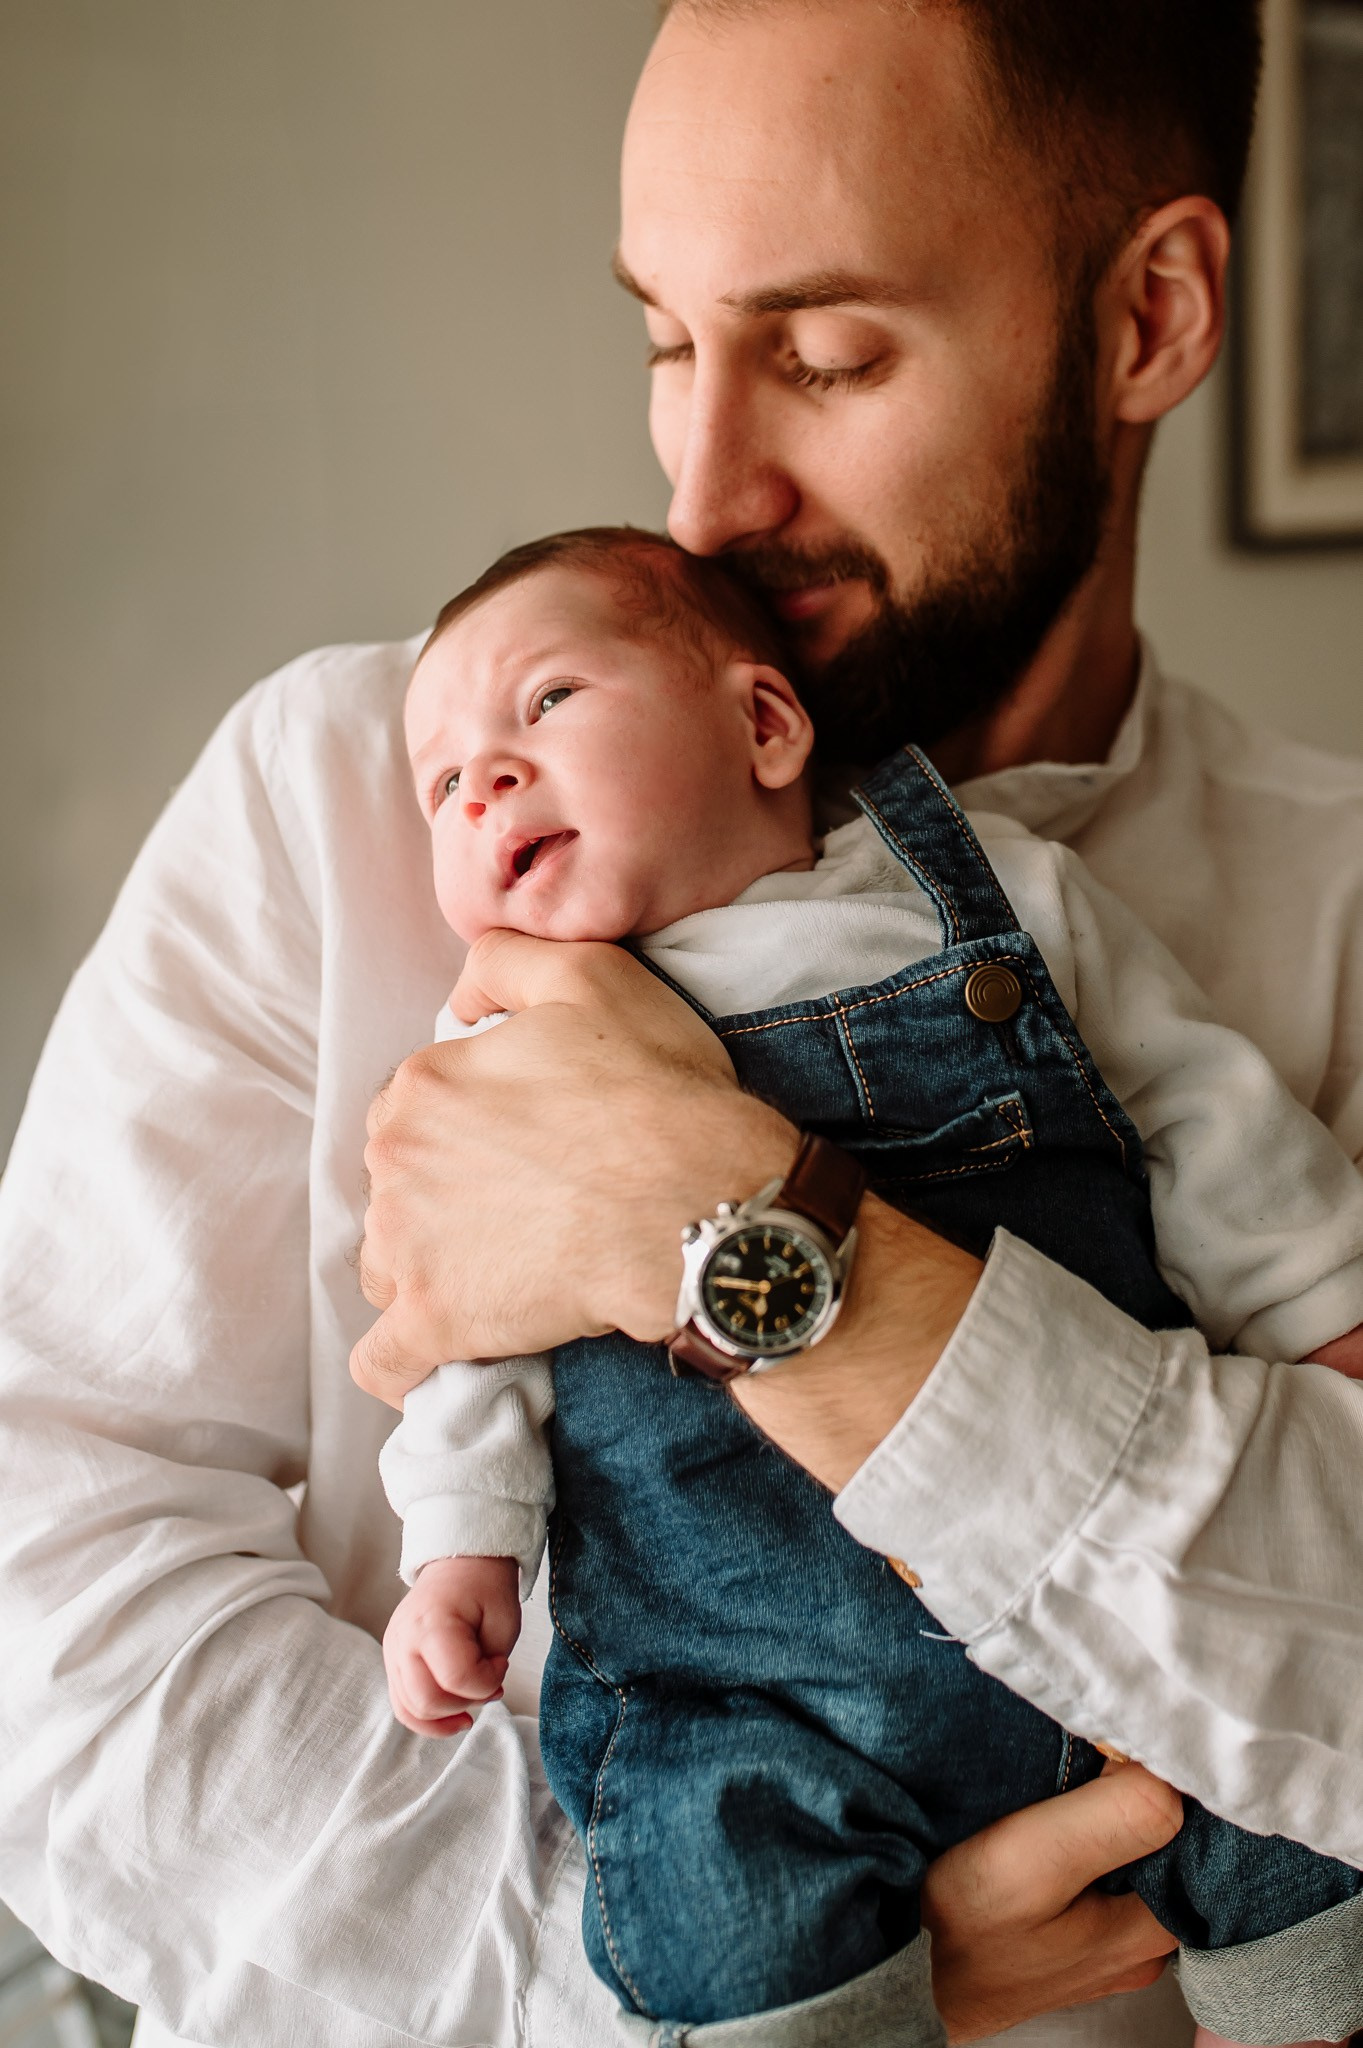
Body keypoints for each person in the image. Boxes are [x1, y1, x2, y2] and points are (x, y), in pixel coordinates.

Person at [1, 2, 1361, 2045]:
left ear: (1148, 317)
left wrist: (723, 1221)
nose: (705, 490)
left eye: (829, 357)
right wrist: (694, 1976)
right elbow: (52, 1620)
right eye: (663, 337)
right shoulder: (349, 798)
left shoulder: (1337, 903)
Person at [376, 524, 1363, 2046]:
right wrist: (461, 1544)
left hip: (1125, 1630)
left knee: (1296, 1803)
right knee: (721, 1900)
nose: (485, 779)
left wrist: (1315, 1301)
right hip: (751, 1692)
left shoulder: (990, 898)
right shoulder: (494, 1053)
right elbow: (467, 1338)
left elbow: (1198, 1107)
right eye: (443, 782)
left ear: (765, 725)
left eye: (548, 701)